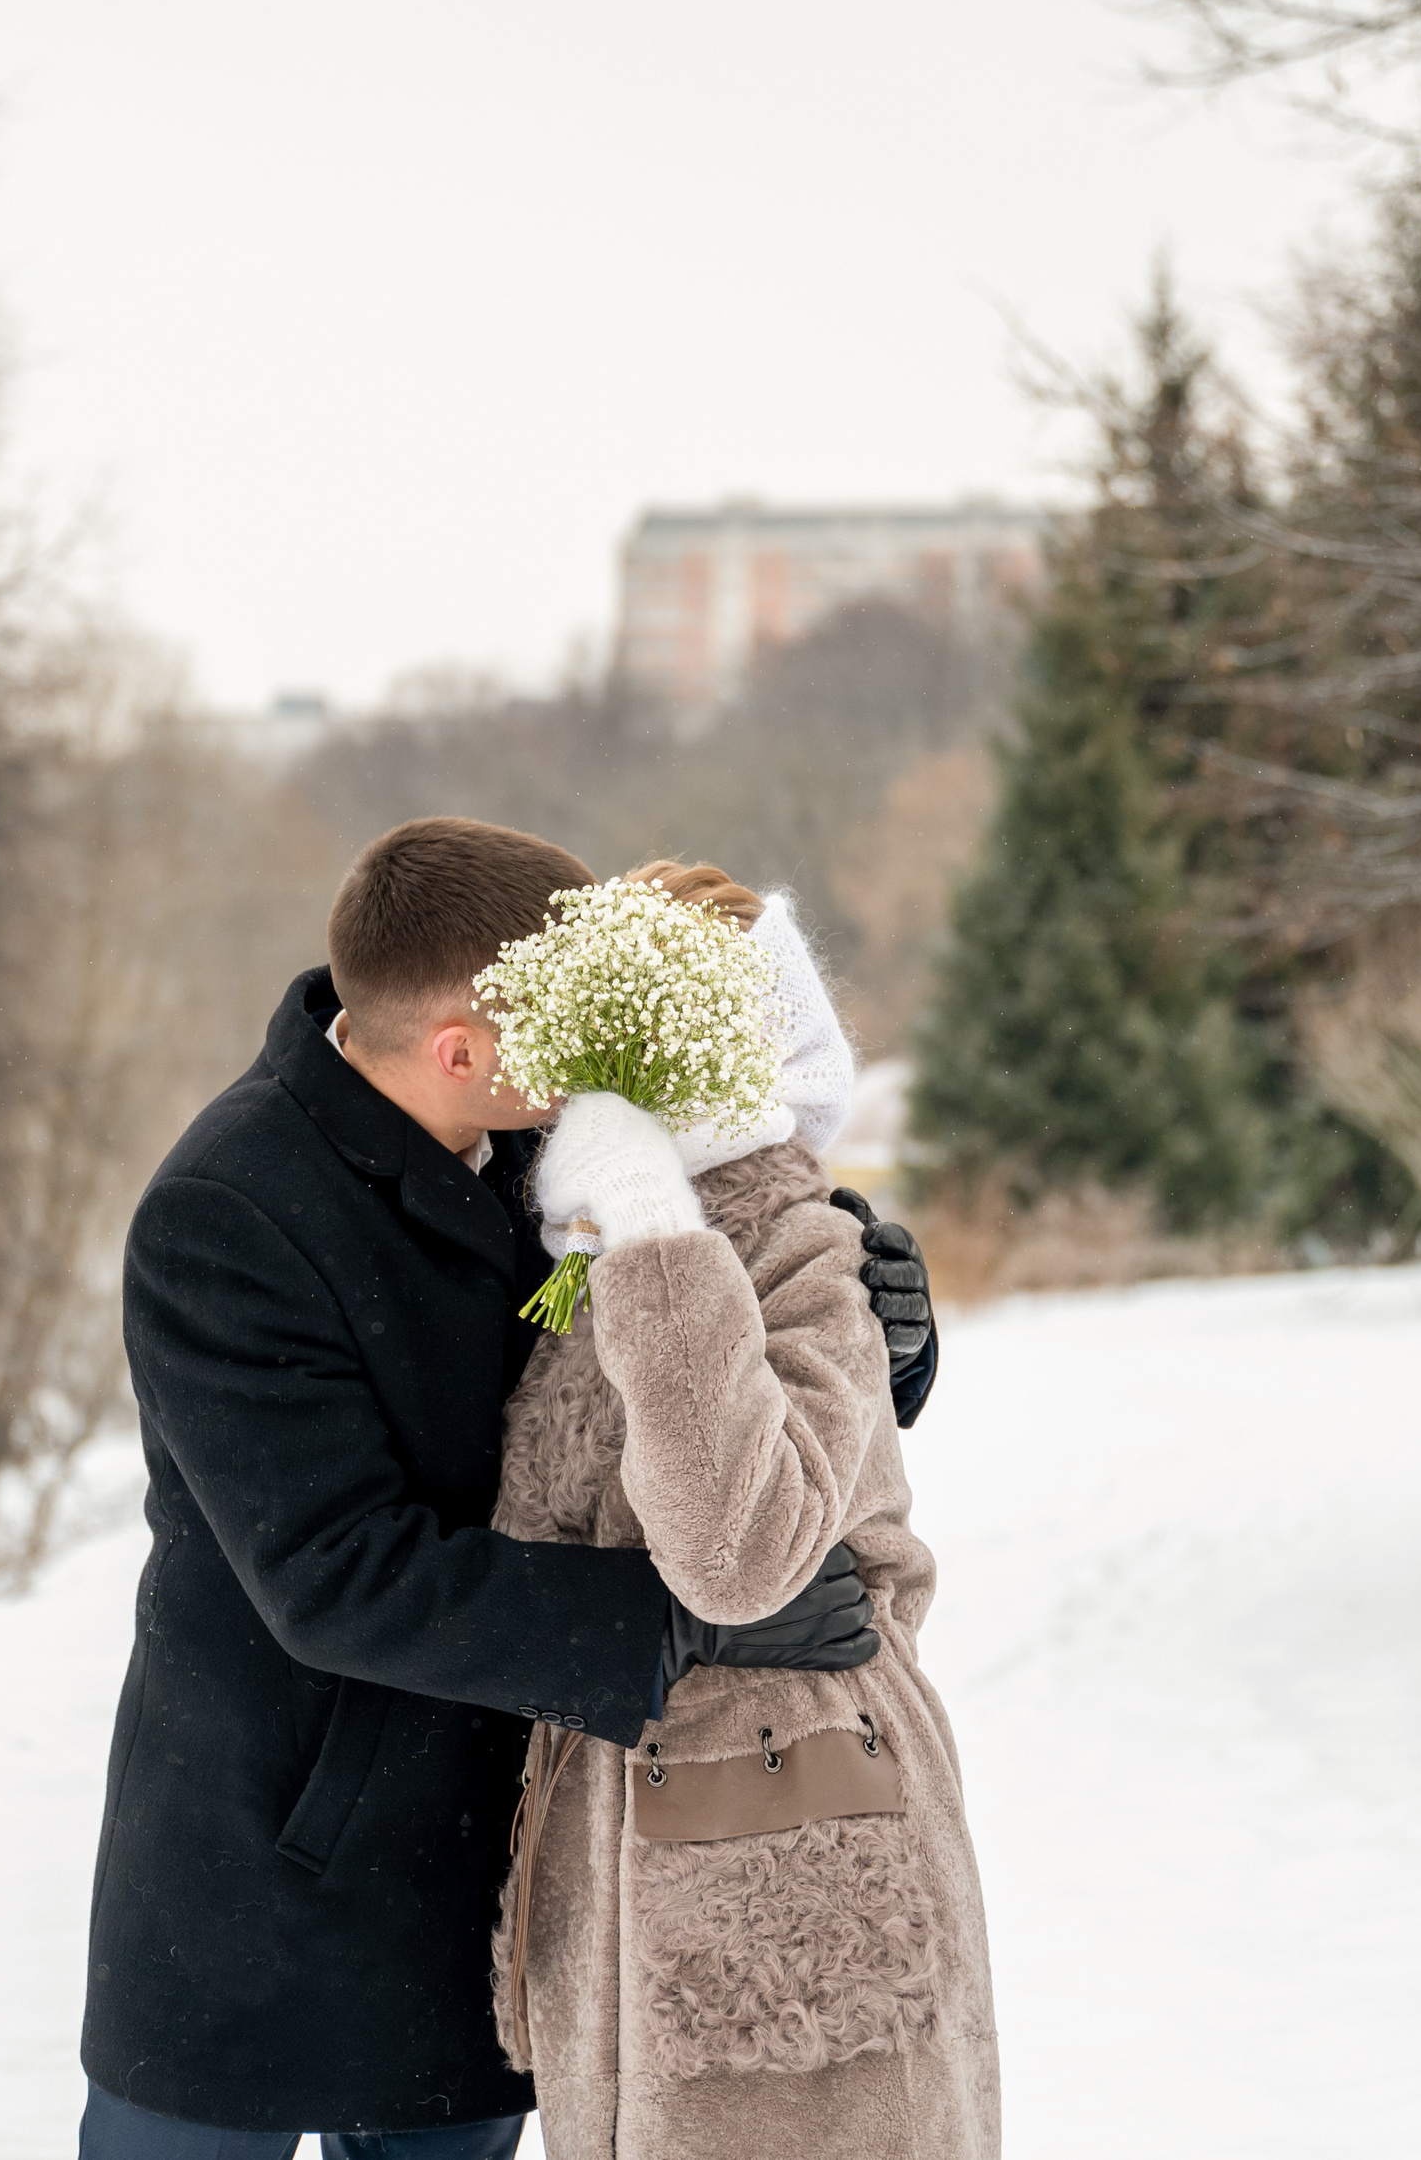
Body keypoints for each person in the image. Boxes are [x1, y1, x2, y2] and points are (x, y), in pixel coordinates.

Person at [79, 819, 939, 2159]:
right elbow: (339, 1573)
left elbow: (673, 1387)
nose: (594, 1051)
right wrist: (674, 1626)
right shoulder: (228, 1213)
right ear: (461, 1047)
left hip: (471, 1871)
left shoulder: (558, 1145)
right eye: (559, 1017)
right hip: (257, 1876)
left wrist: (876, 1341)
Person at [489, 863, 1000, 2160]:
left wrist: (661, 1229)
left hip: (794, 1809)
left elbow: (735, 1553)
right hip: (627, 1837)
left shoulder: (788, 1239)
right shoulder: (581, 1263)